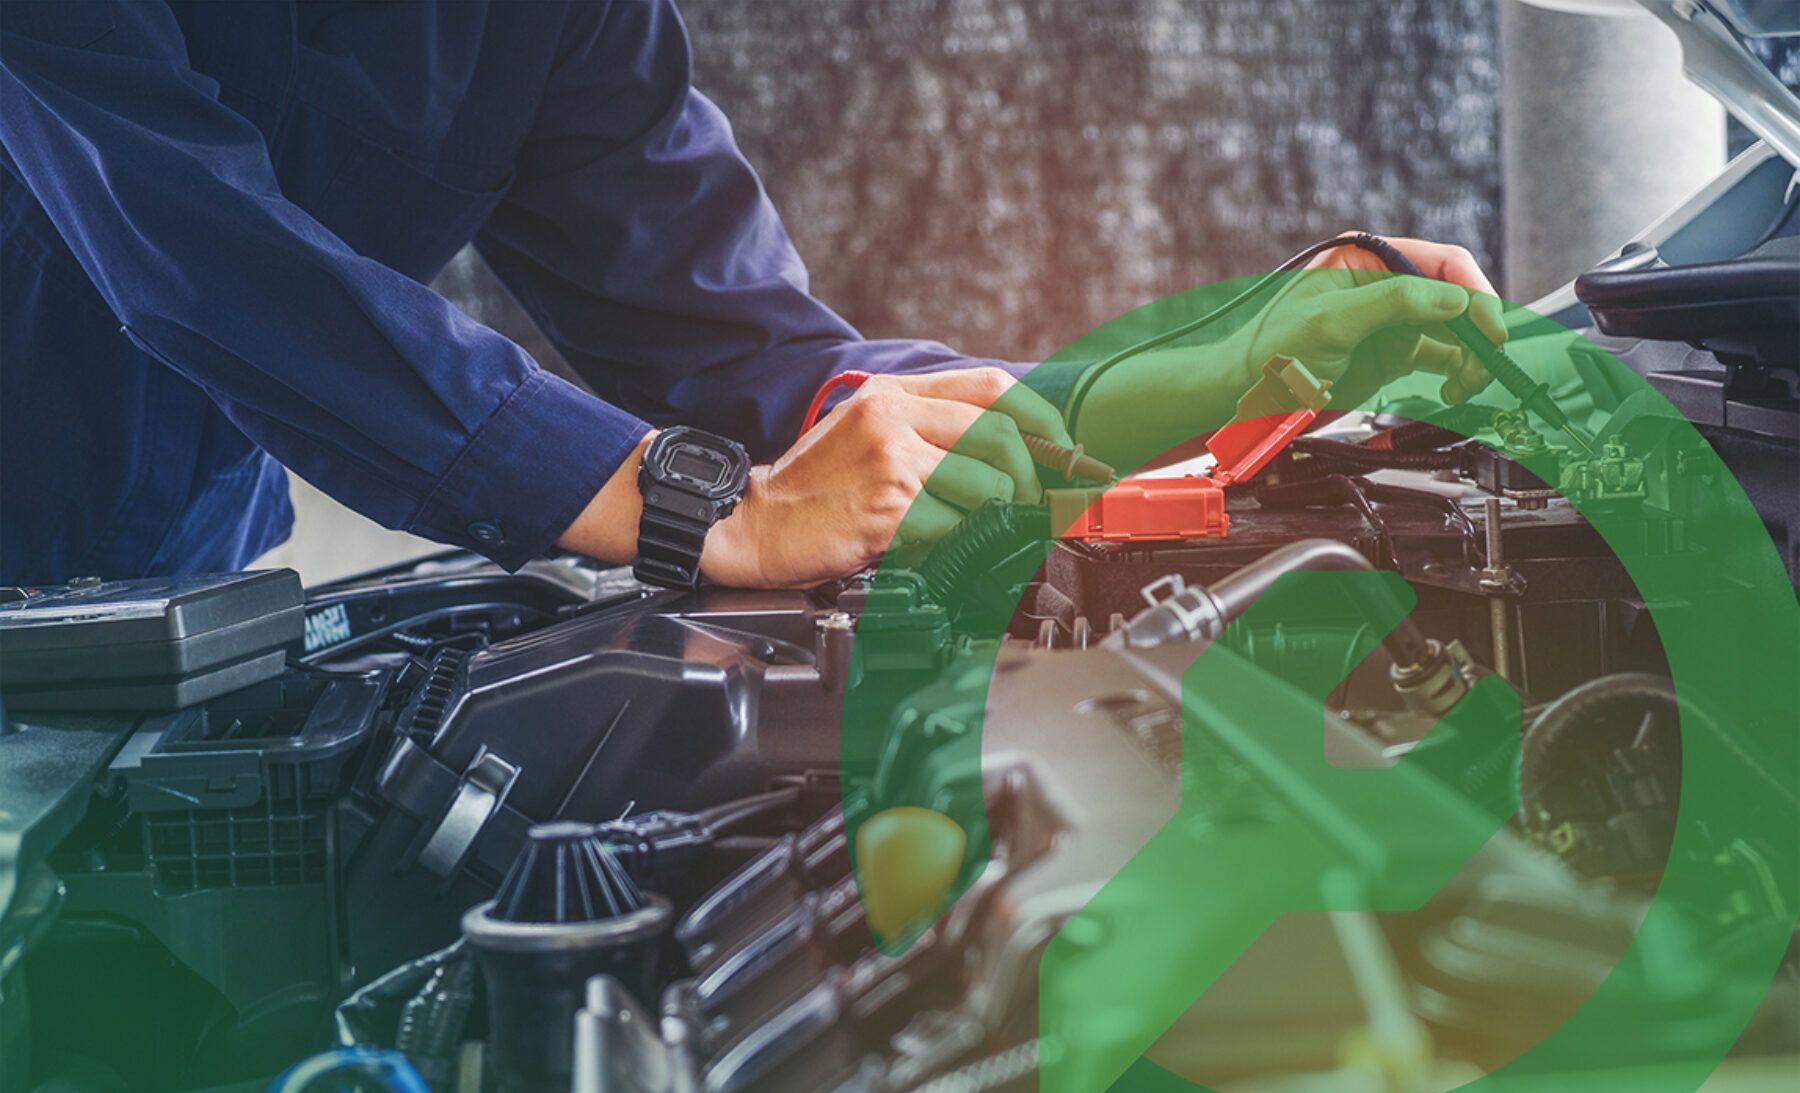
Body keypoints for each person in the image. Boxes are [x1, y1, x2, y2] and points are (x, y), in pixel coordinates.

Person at [0, 1, 1504, 589]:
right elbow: (209, 267)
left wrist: (1202, 369)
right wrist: (696, 506)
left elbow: (751, 348)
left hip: (172, 604)